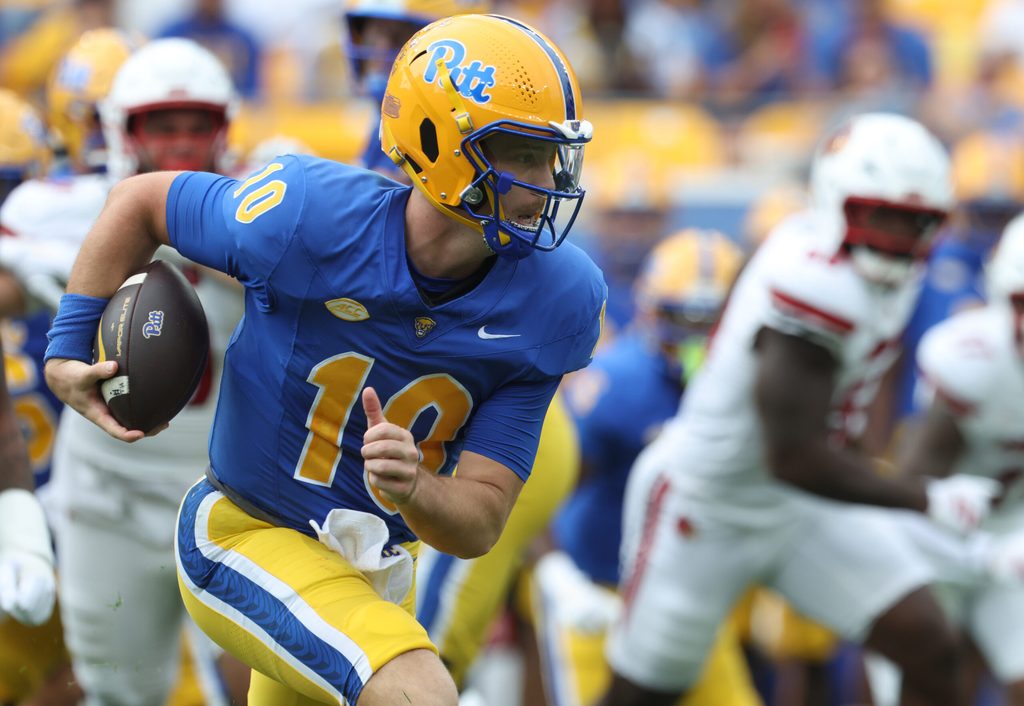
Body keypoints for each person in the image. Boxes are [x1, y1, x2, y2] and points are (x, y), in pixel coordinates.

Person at [45, 13, 604, 706]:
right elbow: (139, 201)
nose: (546, 179)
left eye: (553, 155)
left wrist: (417, 488)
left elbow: (481, 520)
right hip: (247, 531)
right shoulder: (307, 215)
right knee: (421, 691)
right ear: (440, 143)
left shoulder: (558, 299)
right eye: (521, 153)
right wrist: (67, 348)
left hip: (373, 565)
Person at [596, 112, 999, 706]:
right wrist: (925, 501)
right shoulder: (811, 282)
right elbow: (794, 456)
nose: (899, 236)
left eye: (915, 221)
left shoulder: (879, 268)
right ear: (837, 202)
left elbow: (838, 416)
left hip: (798, 507)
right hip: (709, 505)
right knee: (644, 694)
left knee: (930, 645)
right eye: (881, 216)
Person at [5, 37, 249, 706]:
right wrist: (50, 272)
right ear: (124, 131)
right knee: (116, 690)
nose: (180, 142)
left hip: (229, 488)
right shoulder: (72, 211)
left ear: (223, 128)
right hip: (108, 489)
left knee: (268, 680)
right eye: (161, 126)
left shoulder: (262, 207)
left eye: (195, 125)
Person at [533, 228, 762, 706]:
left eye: (712, 321)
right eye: (683, 318)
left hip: (689, 593)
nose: (697, 338)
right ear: (650, 311)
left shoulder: (754, 383)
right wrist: (560, 575)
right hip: (602, 590)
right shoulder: (617, 385)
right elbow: (540, 494)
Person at [880, 213, 1024, 706]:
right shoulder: (970, 359)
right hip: (943, 537)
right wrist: (980, 551)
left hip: (1016, 533)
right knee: (924, 681)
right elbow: (912, 492)